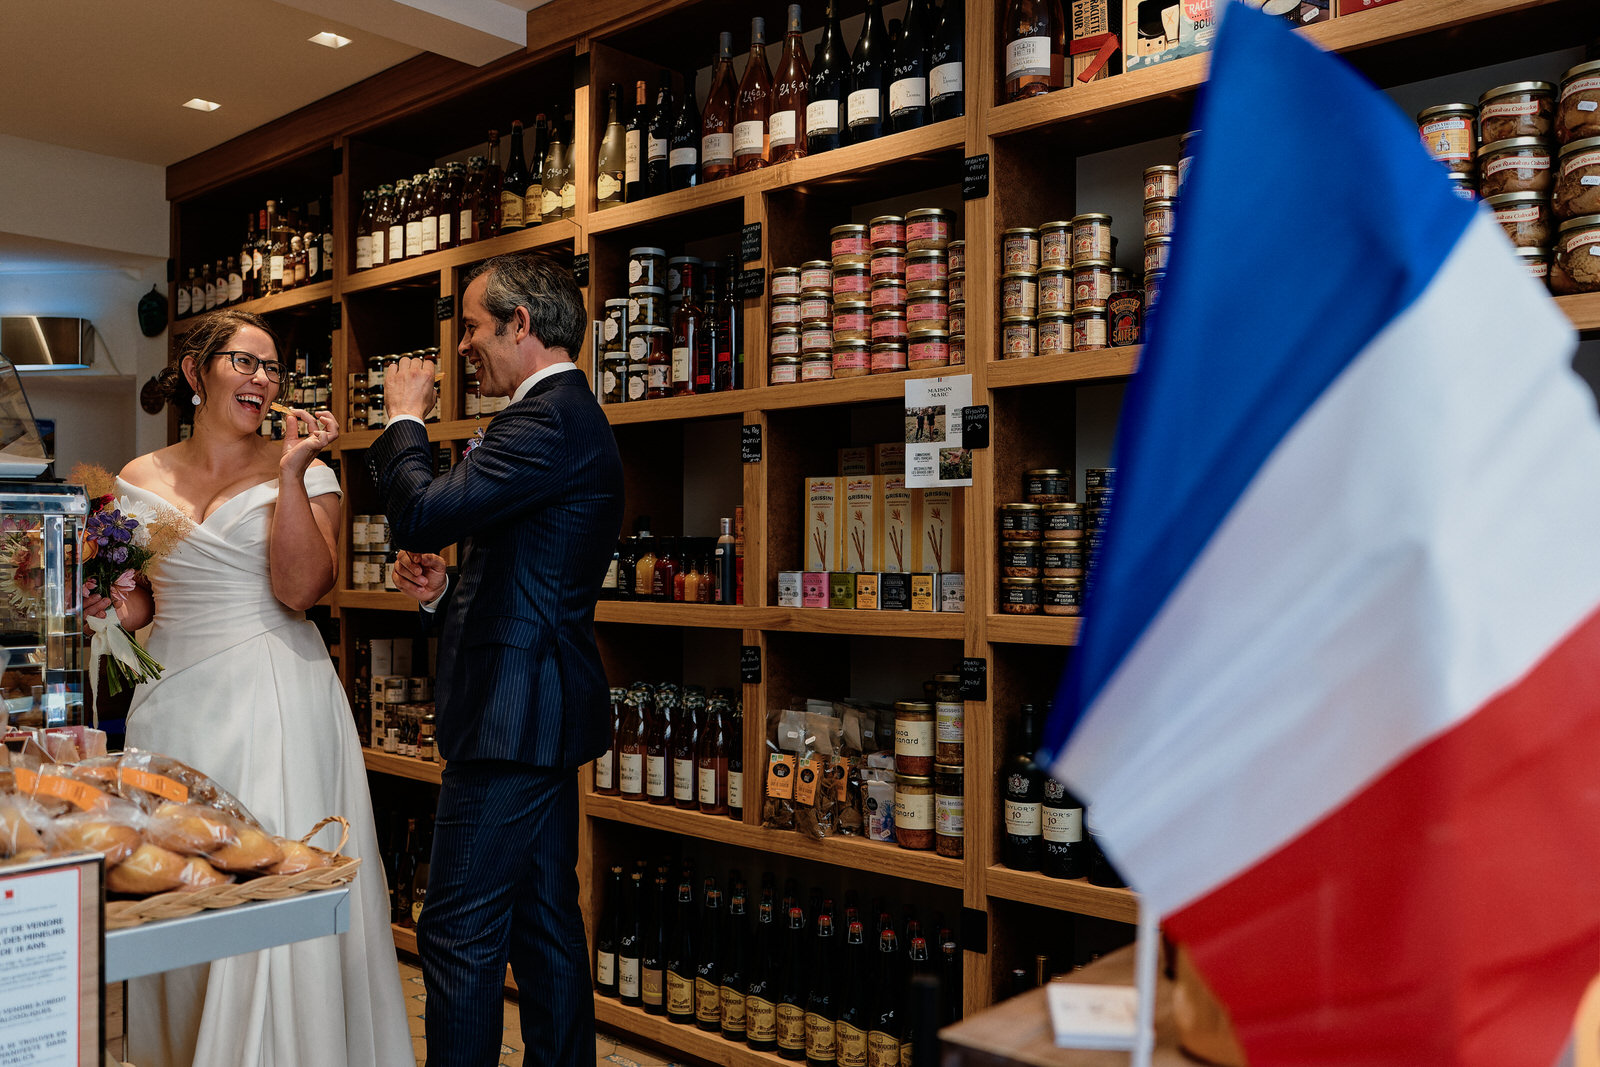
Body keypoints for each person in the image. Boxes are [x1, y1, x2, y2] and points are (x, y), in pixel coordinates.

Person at [85, 309, 412, 1067]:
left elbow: (302, 589)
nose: (264, 379)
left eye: (272, 368)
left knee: (265, 876)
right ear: (196, 373)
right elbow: (141, 606)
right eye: (245, 361)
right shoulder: (138, 477)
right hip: (171, 703)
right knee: (172, 874)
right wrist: (107, 600)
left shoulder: (308, 469)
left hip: (273, 695)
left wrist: (294, 470)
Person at [368, 252, 624, 1067]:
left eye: (475, 327)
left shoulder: (544, 420)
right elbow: (527, 574)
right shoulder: (561, 418)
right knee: (544, 923)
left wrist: (404, 417)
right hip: (539, 711)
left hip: (511, 718)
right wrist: (448, 590)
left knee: (457, 931)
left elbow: (415, 510)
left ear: (522, 324)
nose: (464, 346)